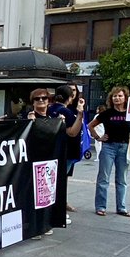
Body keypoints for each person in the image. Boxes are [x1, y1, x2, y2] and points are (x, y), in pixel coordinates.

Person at [88, 85, 130, 217]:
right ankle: (100, 207)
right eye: (115, 96)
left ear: (125, 98)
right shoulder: (107, 113)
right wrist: (98, 137)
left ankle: (121, 207)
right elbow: (90, 125)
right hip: (108, 147)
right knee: (103, 177)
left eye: (120, 96)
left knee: (122, 179)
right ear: (111, 98)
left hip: (124, 147)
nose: (117, 98)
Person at [48, 83, 85, 213]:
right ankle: (58, 208)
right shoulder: (66, 111)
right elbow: (72, 132)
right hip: (66, 150)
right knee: (60, 180)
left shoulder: (49, 109)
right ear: (69, 97)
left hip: (52, 149)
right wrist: (79, 115)